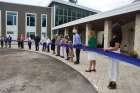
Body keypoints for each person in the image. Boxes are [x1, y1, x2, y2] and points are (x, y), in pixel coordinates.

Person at [104, 23, 122, 89]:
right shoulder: (115, 36)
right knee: (111, 67)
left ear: (116, 29)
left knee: (114, 68)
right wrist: (108, 48)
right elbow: (112, 46)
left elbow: (116, 47)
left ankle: (114, 83)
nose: (112, 29)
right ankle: (111, 81)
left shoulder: (118, 37)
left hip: (115, 53)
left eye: (113, 28)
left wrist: (107, 49)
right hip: (112, 53)